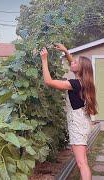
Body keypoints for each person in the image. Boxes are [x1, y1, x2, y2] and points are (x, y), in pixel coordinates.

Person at [40, 43, 98, 180]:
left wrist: (44, 59)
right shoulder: (85, 81)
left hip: (77, 125)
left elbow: (48, 81)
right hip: (82, 122)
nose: (72, 62)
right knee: (83, 160)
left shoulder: (74, 84)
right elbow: (74, 63)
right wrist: (66, 51)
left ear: (80, 69)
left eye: (76, 62)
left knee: (81, 163)